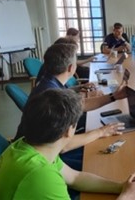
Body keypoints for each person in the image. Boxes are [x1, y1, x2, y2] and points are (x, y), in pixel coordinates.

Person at [0, 89, 135, 199]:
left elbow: (75, 178)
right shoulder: (40, 176)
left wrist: (121, 187)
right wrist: (127, 197)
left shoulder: (28, 146)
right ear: (69, 130)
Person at [14, 42, 127, 170]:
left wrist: (113, 96)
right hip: (41, 160)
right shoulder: (50, 96)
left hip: (33, 150)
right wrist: (100, 132)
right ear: (71, 68)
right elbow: (63, 146)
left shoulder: (49, 82)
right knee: (103, 160)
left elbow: (80, 105)